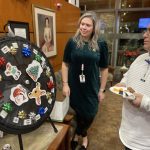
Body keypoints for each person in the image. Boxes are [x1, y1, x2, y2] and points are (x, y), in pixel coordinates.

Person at [61, 11, 108, 150]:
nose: (84, 27)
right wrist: (65, 84)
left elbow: (104, 68)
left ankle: (81, 133)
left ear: (94, 28)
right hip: (74, 85)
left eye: (88, 25)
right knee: (78, 112)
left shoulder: (101, 43)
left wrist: (102, 90)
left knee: (90, 113)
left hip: (92, 86)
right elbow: (65, 63)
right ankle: (80, 137)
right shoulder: (72, 42)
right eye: (82, 24)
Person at [116, 26, 150, 150]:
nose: (145, 35)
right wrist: (123, 83)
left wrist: (144, 102)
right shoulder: (141, 58)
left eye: (149, 31)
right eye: (146, 31)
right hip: (127, 133)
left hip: (145, 143)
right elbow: (127, 75)